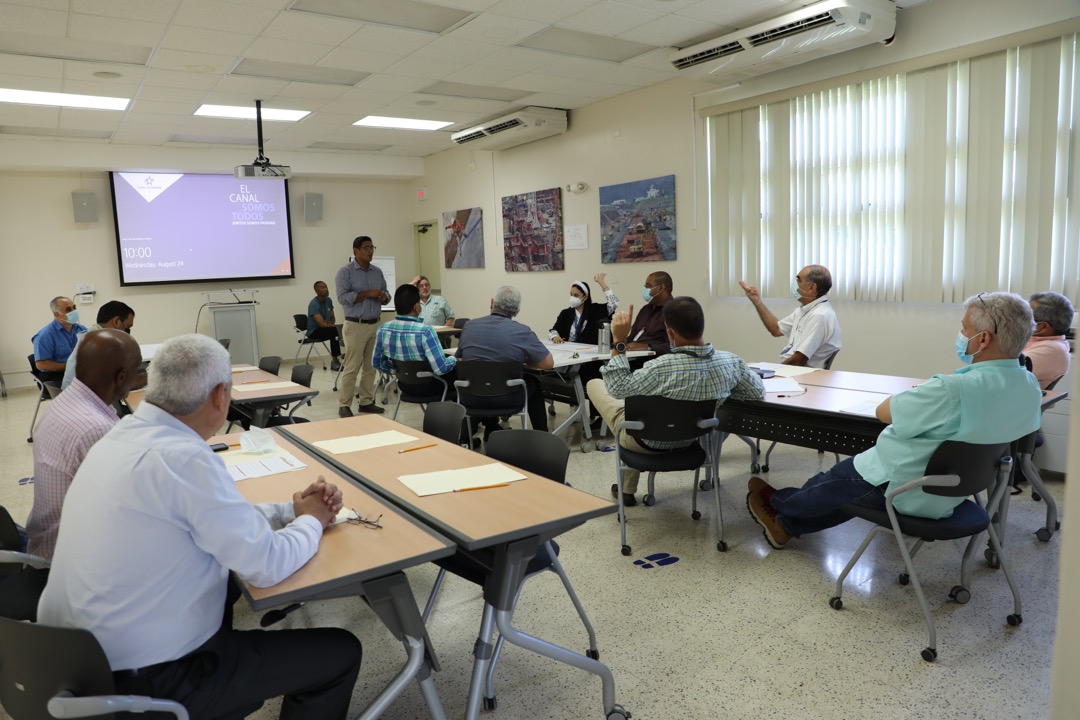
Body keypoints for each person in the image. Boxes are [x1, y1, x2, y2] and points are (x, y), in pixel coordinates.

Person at [37, 333, 362, 719]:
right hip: (144, 679)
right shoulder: (184, 457)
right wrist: (313, 520)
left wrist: (290, 511)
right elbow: (268, 565)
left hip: (70, 661)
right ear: (221, 395)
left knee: (226, 585)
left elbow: (216, 519)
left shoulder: (121, 435)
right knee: (340, 653)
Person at [745, 291, 1043, 549]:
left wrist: (923, 393)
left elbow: (884, 412)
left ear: (984, 338)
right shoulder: (1029, 386)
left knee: (831, 483)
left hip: (902, 487)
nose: (961, 335)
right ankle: (787, 524)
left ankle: (777, 503)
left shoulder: (952, 389)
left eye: (964, 329)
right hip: (956, 490)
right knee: (843, 491)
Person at [588, 297, 765, 507]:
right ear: (702, 326)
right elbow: (756, 391)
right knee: (642, 413)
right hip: (690, 440)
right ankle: (626, 488)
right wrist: (720, 390)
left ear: (670, 332)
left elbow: (617, 388)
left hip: (644, 441)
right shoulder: (731, 362)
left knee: (596, 386)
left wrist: (619, 341)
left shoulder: (659, 368)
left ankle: (627, 490)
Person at [26, 329, 143, 561]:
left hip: (46, 539)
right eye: (136, 372)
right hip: (72, 559)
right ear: (122, 377)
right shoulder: (95, 429)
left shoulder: (65, 402)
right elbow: (128, 507)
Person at [456, 285, 554, 436]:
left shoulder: (469, 326)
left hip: (470, 397)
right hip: (507, 398)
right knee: (533, 383)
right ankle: (542, 436)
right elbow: (548, 363)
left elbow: (460, 358)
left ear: (492, 303)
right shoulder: (522, 331)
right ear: (517, 311)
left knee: (484, 380)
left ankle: (465, 437)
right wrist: (523, 359)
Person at [739, 264, 841, 367]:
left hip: (802, 373)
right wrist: (757, 301)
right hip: (792, 370)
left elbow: (798, 360)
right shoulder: (806, 310)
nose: (795, 284)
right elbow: (776, 329)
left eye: (799, 280)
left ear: (812, 287)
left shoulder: (819, 316)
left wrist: (774, 370)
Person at [335, 235, 390, 417]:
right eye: (366, 248)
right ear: (356, 250)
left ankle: (366, 401)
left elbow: (386, 292)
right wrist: (368, 294)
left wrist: (384, 296)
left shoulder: (377, 272)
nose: (370, 251)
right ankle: (344, 404)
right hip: (355, 325)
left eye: (372, 247)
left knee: (371, 366)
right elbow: (342, 297)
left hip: (375, 323)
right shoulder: (345, 272)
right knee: (352, 366)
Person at [374, 283, 458, 397]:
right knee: (460, 374)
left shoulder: (383, 329)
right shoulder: (426, 331)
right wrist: (455, 358)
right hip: (429, 386)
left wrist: (396, 370)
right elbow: (440, 369)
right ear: (417, 307)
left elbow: (377, 362)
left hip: (403, 385)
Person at [60, 300, 137, 391]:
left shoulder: (90, 335)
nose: (127, 333)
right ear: (116, 321)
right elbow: (117, 382)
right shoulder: (101, 343)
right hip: (81, 397)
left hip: (71, 394)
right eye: (127, 327)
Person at [549, 274, 618, 345]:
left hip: (592, 349)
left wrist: (602, 283)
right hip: (570, 349)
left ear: (585, 297)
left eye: (576, 295)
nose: (572, 298)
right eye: (571, 295)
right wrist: (555, 336)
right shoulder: (565, 313)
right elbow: (554, 330)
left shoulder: (597, 310)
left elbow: (614, 303)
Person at [31, 296, 88, 383]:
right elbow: (41, 364)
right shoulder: (45, 335)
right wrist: (70, 366)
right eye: (68, 310)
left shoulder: (81, 329)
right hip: (54, 375)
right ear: (57, 315)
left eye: (74, 307)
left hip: (76, 371)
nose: (74, 311)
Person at [1024, 291, 1074, 389]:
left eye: (1024, 317)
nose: (1018, 319)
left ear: (1043, 327)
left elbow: (1004, 372)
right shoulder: (1032, 339)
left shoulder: (1053, 350)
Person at [626, 271, 673, 357]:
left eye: (648, 286)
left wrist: (647, 347)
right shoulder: (645, 309)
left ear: (661, 288)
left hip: (654, 359)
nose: (644, 289)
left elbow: (675, 346)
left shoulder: (674, 311)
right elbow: (631, 338)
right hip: (632, 356)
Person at [306, 280, 342, 371]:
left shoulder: (328, 300)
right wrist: (330, 325)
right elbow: (322, 324)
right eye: (322, 288)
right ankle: (335, 361)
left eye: (326, 286)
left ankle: (345, 354)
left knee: (339, 328)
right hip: (314, 331)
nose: (326, 289)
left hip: (326, 329)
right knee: (334, 331)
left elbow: (333, 318)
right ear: (316, 291)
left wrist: (331, 323)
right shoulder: (313, 304)